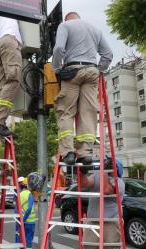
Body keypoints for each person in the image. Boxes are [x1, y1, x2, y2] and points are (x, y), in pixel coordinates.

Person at [52, 12, 113, 165]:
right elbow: (108, 54)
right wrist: (99, 69)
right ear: (79, 18)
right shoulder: (95, 29)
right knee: (88, 112)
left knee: (66, 112)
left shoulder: (65, 26)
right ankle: (85, 153)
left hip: (72, 71)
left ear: (67, 19)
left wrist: (57, 70)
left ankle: (68, 152)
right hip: (92, 71)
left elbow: (59, 48)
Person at [80, 158, 125, 249]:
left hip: (111, 223)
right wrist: (83, 172)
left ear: (116, 169)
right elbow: (85, 184)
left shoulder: (119, 182)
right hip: (93, 220)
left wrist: (103, 173)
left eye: (109, 164)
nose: (105, 164)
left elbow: (106, 190)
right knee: (87, 245)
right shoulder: (97, 175)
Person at [0, 16, 23, 137]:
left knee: (2, 85)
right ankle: (0, 122)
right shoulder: (11, 7)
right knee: (13, 79)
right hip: (10, 41)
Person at [16, 176, 36, 249]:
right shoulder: (29, 194)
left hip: (22, 221)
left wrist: (21, 220)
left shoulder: (19, 194)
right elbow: (29, 208)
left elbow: (17, 208)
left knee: (21, 239)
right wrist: (24, 219)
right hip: (30, 221)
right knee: (28, 240)